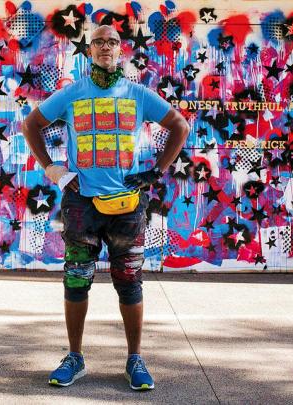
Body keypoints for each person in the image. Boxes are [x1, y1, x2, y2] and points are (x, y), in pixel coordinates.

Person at [21, 25, 189, 391]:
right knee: (77, 279)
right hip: (81, 203)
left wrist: (155, 171)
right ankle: (75, 357)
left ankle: (134, 359)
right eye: (98, 42)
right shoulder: (71, 94)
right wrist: (53, 168)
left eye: (112, 42)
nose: (105, 47)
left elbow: (179, 125)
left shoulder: (137, 93)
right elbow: (31, 124)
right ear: (89, 50)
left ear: (120, 50)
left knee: (129, 282)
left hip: (127, 204)